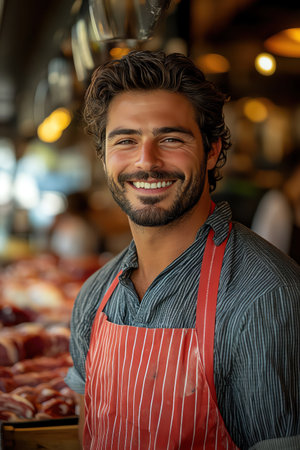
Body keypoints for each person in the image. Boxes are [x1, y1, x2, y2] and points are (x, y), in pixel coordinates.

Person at [65, 51, 300, 450]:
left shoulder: (266, 296)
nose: (146, 161)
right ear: (105, 157)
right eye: (125, 140)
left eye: (170, 138)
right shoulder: (94, 297)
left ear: (211, 150)